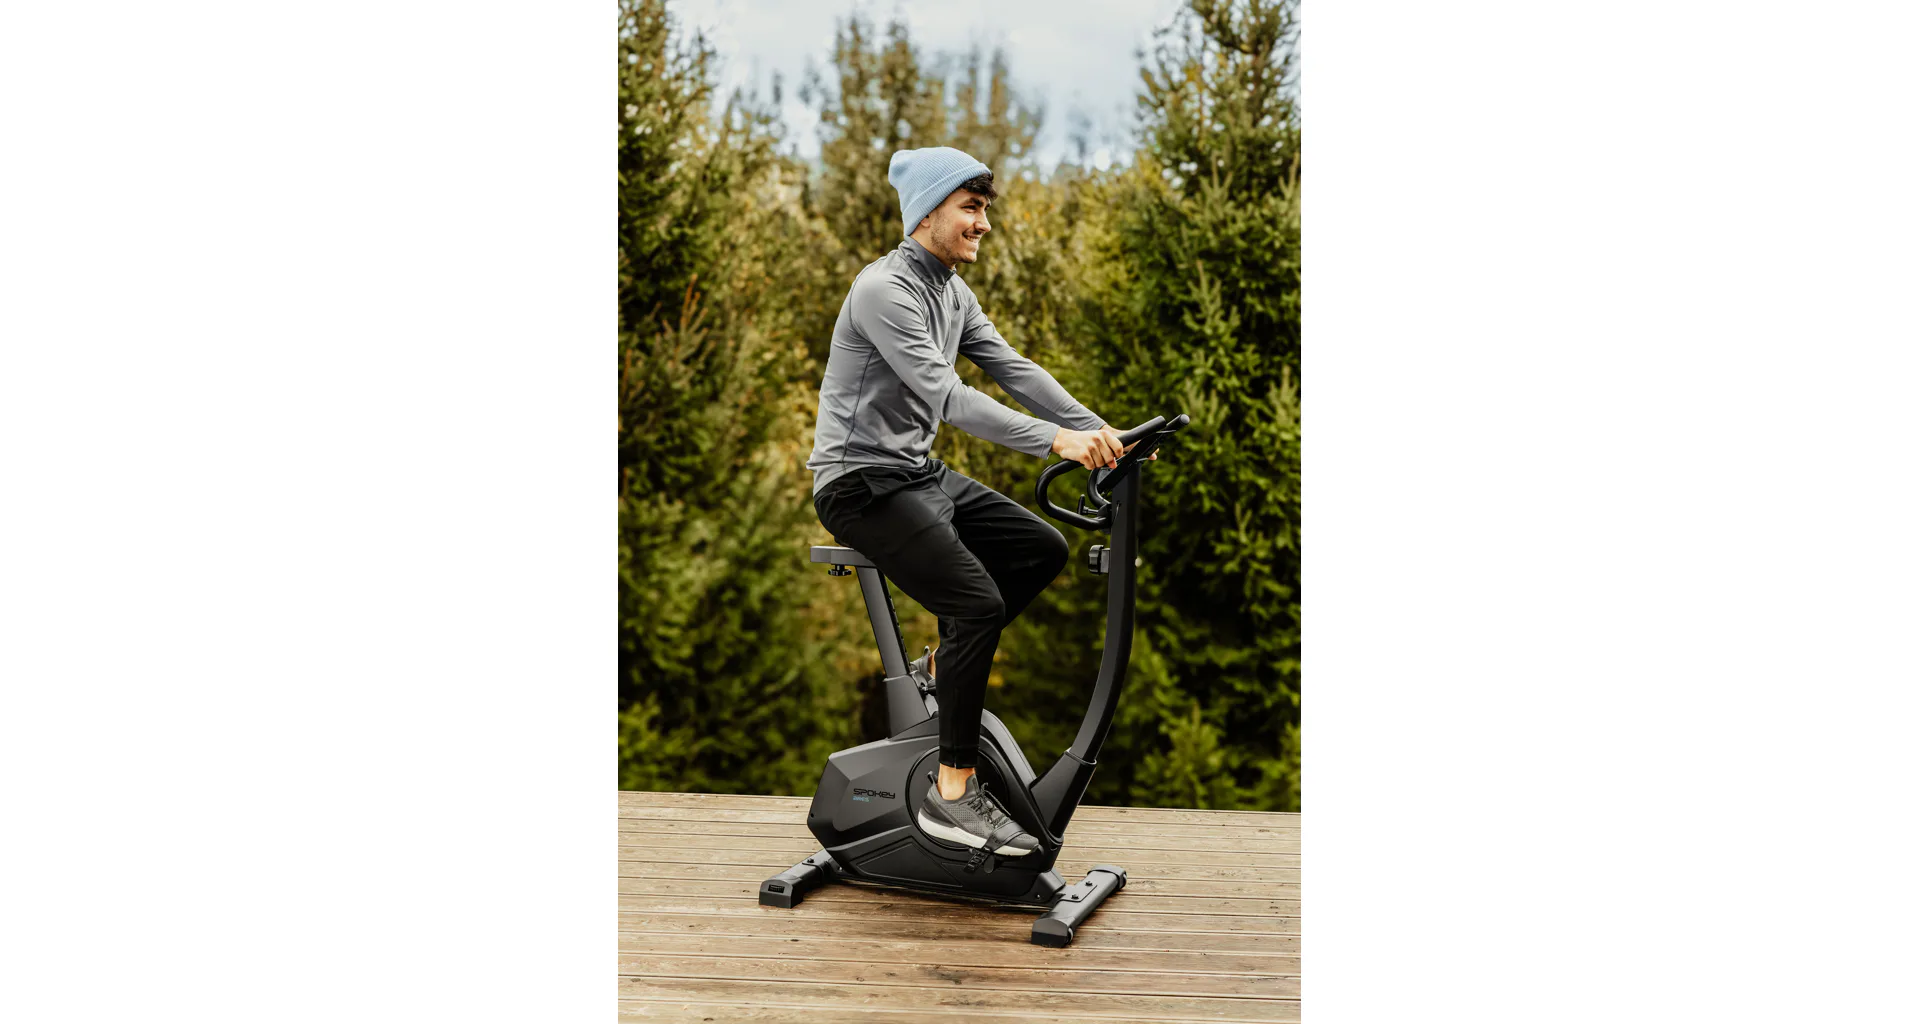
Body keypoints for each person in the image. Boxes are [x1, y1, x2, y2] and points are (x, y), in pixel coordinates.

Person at [806, 146, 1151, 859]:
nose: (983, 223)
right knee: (977, 604)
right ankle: (952, 794)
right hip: (857, 484)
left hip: (914, 472)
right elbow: (953, 399)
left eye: (985, 208)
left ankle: (940, 671)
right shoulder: (884, 290)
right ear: (927, 212)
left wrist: (1102, 432)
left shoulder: (951, 292)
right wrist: (1056, 441)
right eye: (970, 207)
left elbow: (1014, 370)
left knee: (1040, 549)